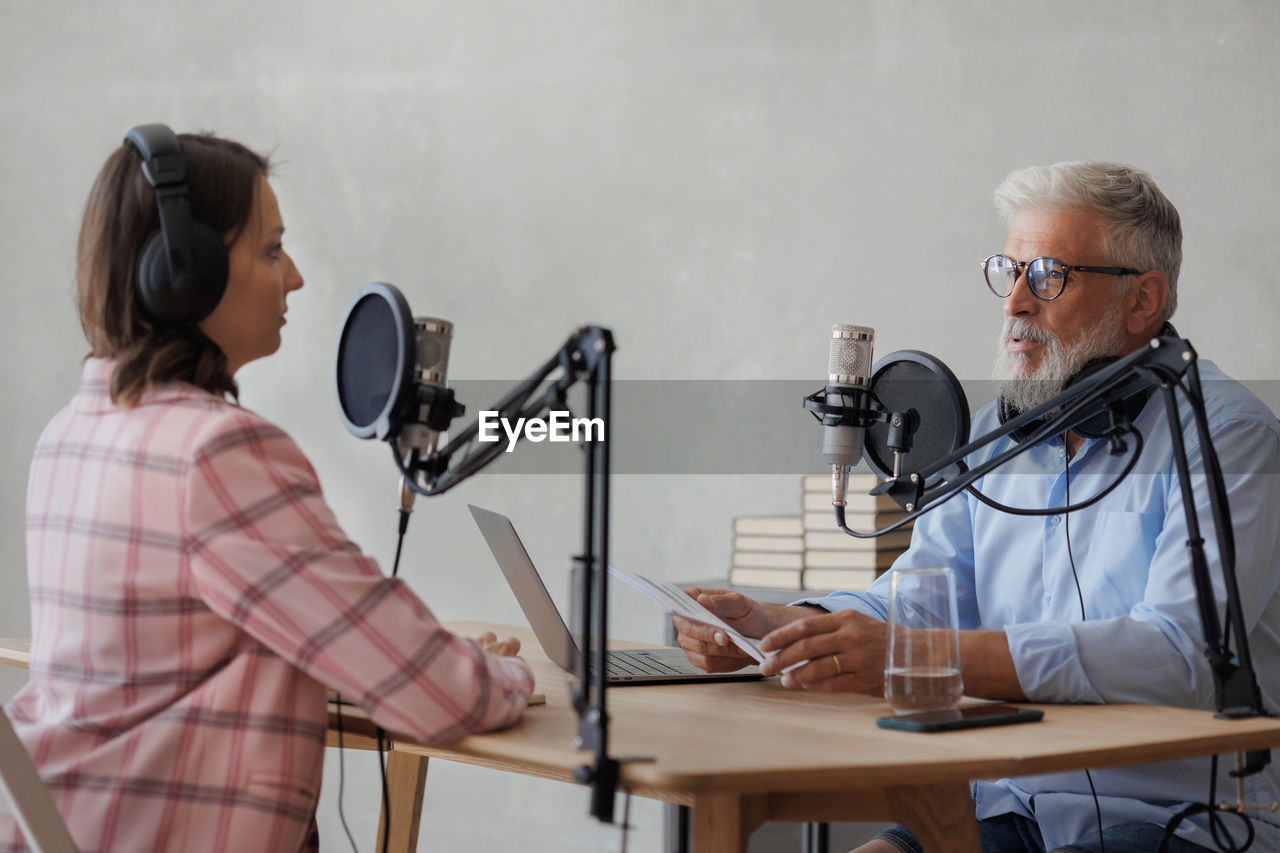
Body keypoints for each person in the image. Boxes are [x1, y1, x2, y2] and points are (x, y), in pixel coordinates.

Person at [674, 161, 1280, 853]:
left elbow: (1181, 654)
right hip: (1011, 801)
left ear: (1143, 300)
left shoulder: (1229, 437)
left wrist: (928, 656)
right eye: (1008, 270)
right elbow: (921, 598)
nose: (1015, 302)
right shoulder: (997, 434)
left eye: (1049, 274)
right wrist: (782, 625)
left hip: (1180, 818)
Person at [0, 126, 534, 853]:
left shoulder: (70, 432)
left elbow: (182, 659)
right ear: (186, 274)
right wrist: (506, 673)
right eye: (271, 250)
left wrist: (379, 653)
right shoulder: (214, 452)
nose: (296, 279)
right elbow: (437, 694)